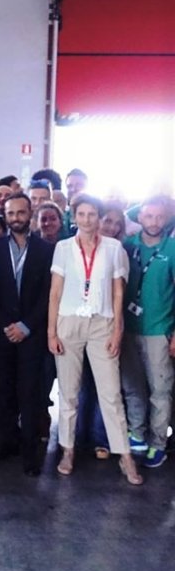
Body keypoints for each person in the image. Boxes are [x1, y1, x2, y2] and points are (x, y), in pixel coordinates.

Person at [47, 194, 142, 485]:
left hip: (103, 323)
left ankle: (125, 455)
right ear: (74, 216)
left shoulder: (114, 248)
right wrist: (51, 331)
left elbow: (118, 292)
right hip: (69, 321)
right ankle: (68, 449)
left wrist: (117, 329)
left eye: (92, 214)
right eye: (82, 214)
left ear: (100, 218)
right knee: (69, 392)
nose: (87, 220)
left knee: (111, 393)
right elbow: (55, 292)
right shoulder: (63, 248)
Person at [0, 193, 54, 476]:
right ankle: (6, 442)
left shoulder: (47, 250)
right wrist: (7, 325)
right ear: (5, 215)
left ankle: (30, 452)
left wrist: (26, 325)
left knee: (30, 393)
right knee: (4, 390)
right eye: (10, 213)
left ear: (30, 212)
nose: (15, 218)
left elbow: (49, 294)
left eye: (21, 212)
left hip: (32, 334)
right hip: (2, 333)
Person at [119, 195, 175, 468]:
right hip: (127, 328)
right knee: (132, 386)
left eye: (160, 216)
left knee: (160, 389)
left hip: (158, 329)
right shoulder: (128, 246)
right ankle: (137, 434)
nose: (154, 222)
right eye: (148, 216)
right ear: (139, 217)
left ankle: (158, 442)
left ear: (168, 219)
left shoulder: (172, 249)